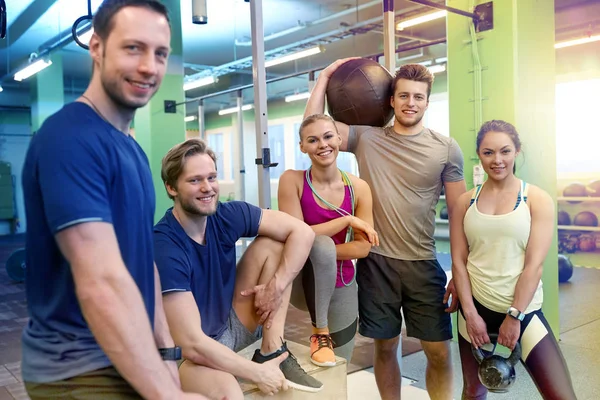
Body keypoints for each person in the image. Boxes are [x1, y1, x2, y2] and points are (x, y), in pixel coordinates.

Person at [20, 1, 207, 399]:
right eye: (133, 48)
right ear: (97, 48)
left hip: (131, 350)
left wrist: (167, 354)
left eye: (160, 53)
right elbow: (101, 283)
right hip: (78, 369)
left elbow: (142, 263)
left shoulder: (131, 149)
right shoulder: (68, 138)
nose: (149, 66)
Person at [304, 60, 466, 400]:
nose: (410, 103)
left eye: (418, 97)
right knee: (385, 347)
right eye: (403, 95)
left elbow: (459, 213)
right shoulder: (367, 137)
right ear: (391, 100)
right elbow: (314, 127)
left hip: (423, 263)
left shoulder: (447, 149)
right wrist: (322, 79)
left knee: (438, 351)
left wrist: (460, 274)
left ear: (427, 102)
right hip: (376, 263)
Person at [153, 138, 324, 400]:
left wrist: (275, 288)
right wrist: (258, 373)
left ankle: (272, 348)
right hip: (186, 354)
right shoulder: (165, 246)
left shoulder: (226, 215)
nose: (207, 188)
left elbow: (301, 232)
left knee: (274, 244)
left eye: (212, 177)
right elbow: (192, 344)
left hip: (229, 325)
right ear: (171, 187)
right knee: (229, 393)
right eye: (195, 180)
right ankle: (258, 365)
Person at [450, 120, 577, 400]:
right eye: (488, 153)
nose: (497, 160)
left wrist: (514, 316)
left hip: (523, 313)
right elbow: (459, 262)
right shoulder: (465, 203)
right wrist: (470, 315)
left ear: (517, 151)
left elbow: (534, 266)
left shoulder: (536, 200)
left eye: (505, 151)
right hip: (475, 309)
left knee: (562, 396)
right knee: (473, 391)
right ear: (479, 155)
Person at [278, 113, 379, 366]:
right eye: (312, 140)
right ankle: (319, 331)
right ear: (302, 147)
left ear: (339, 139)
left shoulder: (358, 187)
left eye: (327, 136)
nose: (322, 145)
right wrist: (345, 221)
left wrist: (322, 255)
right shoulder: (292, 181)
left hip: (341, 283)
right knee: (319, 244)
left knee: (339, 366)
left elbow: (364, 247)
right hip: (302, 282)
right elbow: (296, 236)